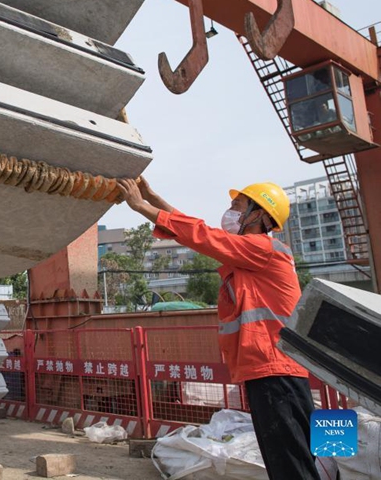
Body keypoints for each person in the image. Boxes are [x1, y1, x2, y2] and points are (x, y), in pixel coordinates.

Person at [117, 177, 319, 480]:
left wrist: (141, 207)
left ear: (261, 215)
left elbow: (204, 236)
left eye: (237, 206)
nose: (230, 212)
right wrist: (154, 197)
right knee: (285, 460)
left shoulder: (262, 249)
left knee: (291, 465)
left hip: (277, 371)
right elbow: (196, 230)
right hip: (271, 370)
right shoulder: (252, 254)